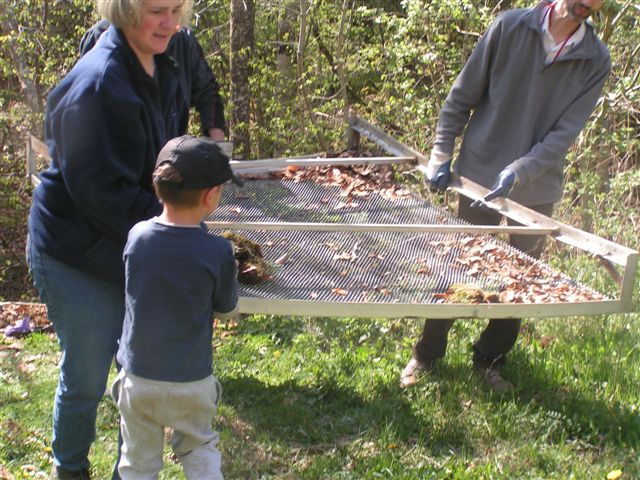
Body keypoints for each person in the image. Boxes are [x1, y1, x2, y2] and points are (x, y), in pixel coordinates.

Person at [26, 1, 226, 478]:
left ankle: (129, 469)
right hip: (75, 250)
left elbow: (165, 163)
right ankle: (70, 468)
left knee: (137, 370)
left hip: (133, 242)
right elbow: (102, 195)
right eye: (158, 10)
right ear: (125, 9)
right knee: (87, 374)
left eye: (178, 9)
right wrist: (175, 228)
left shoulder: (169, 59)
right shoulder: (95, 85)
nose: (171, 23)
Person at [400, 0, 609, 391]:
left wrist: (519, 171)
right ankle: (427, 354)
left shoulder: (595, 58)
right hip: (478, 174)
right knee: (457, 265)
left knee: (521, 280)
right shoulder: (510, 28)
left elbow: (564, 135)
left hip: (536, 185)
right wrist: (441, 153)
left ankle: (490, 361)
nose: (590, 3)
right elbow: (462, 96)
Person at [111, 135, 241, 480]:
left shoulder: (137, 237)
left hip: (139, 379)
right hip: (191, 381)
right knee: (199, 449)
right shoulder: (218, 251)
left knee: (137, 462)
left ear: (157, 187)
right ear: (211, 196)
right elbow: (226, 308)